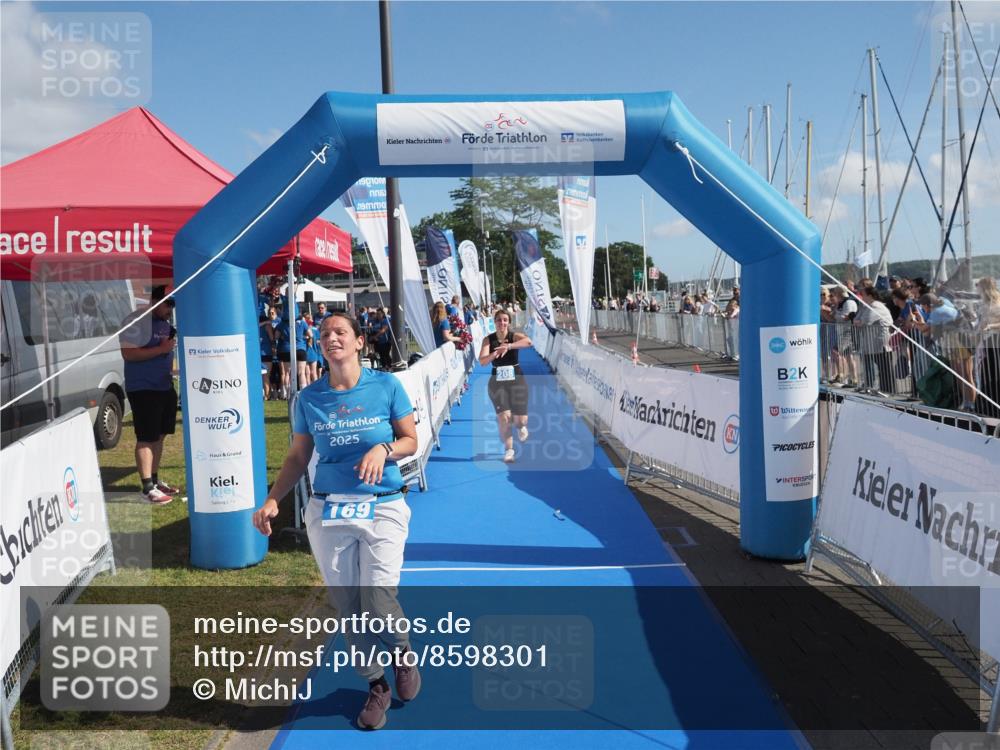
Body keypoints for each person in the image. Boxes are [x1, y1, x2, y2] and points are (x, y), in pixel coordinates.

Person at [252, 312, 420, 730]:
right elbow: (297, 457)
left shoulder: (386, 385)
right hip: (329, 509)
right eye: (324, 334)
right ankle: (376, 684)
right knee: (348, 608)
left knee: (378, 602)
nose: (331, 338)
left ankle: (401, 651)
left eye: (340, 332)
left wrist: (383, 450)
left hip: (382, 505)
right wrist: (274, 500)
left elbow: (410, 440)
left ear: (359, 342)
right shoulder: (308, 399)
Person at [118, 285, 179, 504]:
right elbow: (128, 354)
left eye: (173, 304)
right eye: (168, 303)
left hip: (164, 386)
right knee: (146, 437)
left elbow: (166, 351)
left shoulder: (165, 323)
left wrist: (172, 369)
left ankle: (154, 480)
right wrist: (161, 350)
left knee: (160, 435)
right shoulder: (135, 321)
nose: (171, 309)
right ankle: (146, 488)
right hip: (143, 387)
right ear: (154, 300)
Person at [478, 309, 532, 463]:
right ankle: (509, 450)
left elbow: (529, 342)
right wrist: (495, 353)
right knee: (504, 418)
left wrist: (508, 347)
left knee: (520, 421)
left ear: (509, 322)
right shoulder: (488, 340)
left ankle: (521, 426)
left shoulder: (513, 336)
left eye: (505, 320)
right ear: (494, 322)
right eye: (499, 320)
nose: (502, 323)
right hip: (497, 383)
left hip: (517, 381)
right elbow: (482, 361)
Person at [258, 314, 276, 399]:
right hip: (267, 353)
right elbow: (272, 338)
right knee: (266, 376)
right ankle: (267, 395)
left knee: (260, 376)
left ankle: (265, 394)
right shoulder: (267, 326)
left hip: (258, 353)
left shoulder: (255, 327)